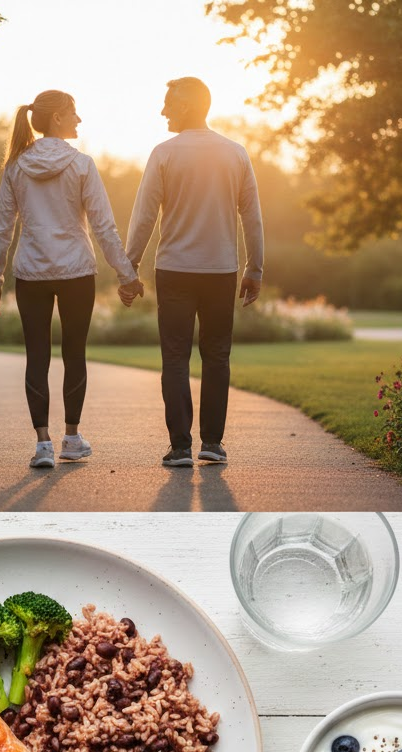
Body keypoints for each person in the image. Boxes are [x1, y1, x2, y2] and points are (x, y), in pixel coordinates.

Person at [0, 90, 144, 469]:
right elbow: (104, 227)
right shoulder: (82, 165)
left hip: (31, 273)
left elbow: (2, 229)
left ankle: (43, 444)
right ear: (57, 117)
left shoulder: (16, 166)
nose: (79, 119)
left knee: (36, 356)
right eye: (74, 112)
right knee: (74, 354)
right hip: (76, 272)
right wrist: (127, 275)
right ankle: (71, 438)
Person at [124, 76, 264, 468]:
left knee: (175, 357)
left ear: (186, 105)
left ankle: (181, 447)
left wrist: (128, 266)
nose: (163, 110)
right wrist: (255, 267)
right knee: (217, 356)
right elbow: (251, 215)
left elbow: (144, 217)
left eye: (168, 102)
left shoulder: (164, 153)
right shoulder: (235, 153)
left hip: (175, 270)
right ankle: (213, 444)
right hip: (222, 269)